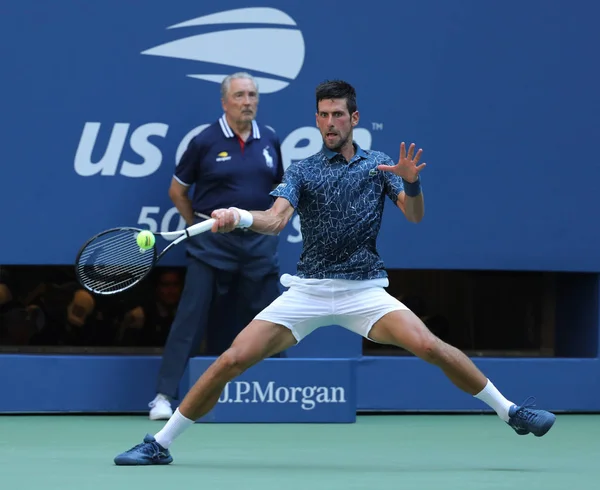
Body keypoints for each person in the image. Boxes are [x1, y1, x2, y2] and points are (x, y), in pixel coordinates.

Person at [114, 79, 556, 465]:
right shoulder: (303, 169)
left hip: (364, 291)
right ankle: (160, 443)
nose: (329, 123)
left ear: (354, 118)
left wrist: (412, 182)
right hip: (307, 291)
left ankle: (511, 411)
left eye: (338, 115)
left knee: (429, 345)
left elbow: (415, 216)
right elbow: (275, 219)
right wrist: (241, 216)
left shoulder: (380, 165)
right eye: (323, 115)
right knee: (231, 359)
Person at [146, 72, 284, 420]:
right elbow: (177, 192)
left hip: (258, 244)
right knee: (190, 317)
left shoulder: (269, 140)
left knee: (276, 319)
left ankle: (284, 390)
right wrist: (197, 225)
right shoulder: (204, 141)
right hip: (211, 244)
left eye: (252, 95)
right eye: (239, 95)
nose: (247, 101)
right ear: (224, 102)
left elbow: (281, 190)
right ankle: (163, 396)